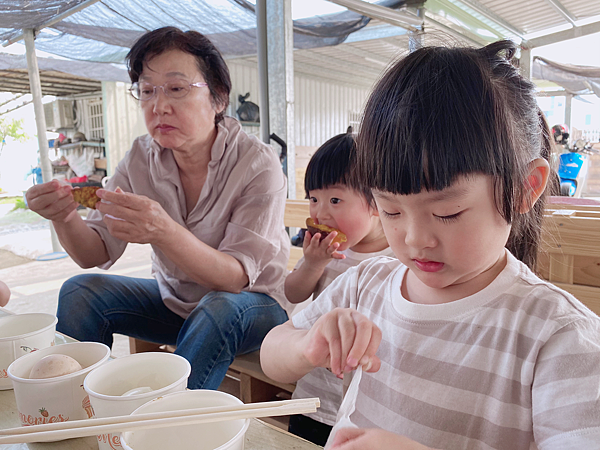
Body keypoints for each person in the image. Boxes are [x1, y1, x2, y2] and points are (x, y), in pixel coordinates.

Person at [261, 40, 600, 450]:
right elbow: (272, 353)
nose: (414, 239)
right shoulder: (366, 284)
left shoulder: (559, 337)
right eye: (390, 210)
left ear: (525, 188)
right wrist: (307, 344)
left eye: (448, 213)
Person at [25, 26, 290, 390]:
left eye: (177, 89)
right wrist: (65, 216)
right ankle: (73, 409)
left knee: (219, 307)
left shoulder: (257, 164)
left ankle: (164, 424)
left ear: (218, 99)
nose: (158, 105)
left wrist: (164, 231)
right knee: (80, 292)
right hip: (177, 305)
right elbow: (95, 252)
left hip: (252, 308)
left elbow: (234, 278)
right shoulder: (139, 157)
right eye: (147, 91)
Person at [284, 131, 391, 446]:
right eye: (313, 199)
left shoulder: (397, 258)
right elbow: (293, 293)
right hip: (316, 392)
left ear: (376, 202)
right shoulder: (323, 251)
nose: (321, 213)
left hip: (369, 401)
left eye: (335, 200)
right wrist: (313, 264)